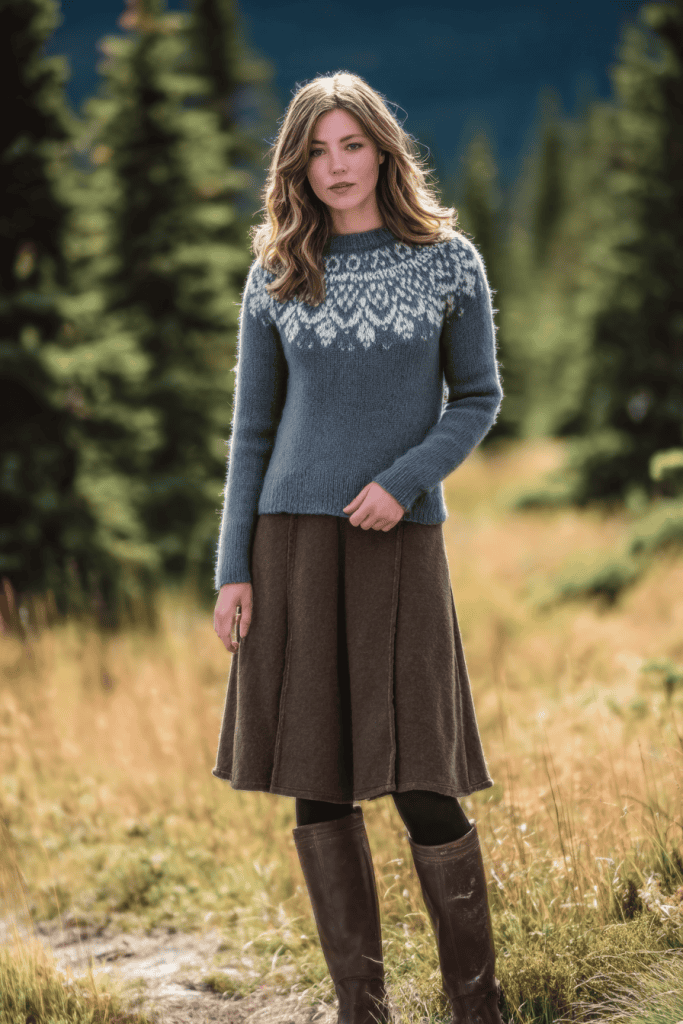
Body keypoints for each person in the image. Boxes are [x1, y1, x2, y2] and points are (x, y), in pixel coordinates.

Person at [212, 71, 506, 1024]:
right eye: (316, 151)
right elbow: (251, 433)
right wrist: (234, 570)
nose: (335, 167)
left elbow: (478, 399)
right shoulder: (277, 273)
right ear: (296, 164)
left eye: (350, 145)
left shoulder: (446, 261)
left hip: (398, 541)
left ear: (382, 148)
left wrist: (405, 479)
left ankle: (479, 1007)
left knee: (422, 775)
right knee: (318, 780)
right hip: (290, 544)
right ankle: (361, 1011)